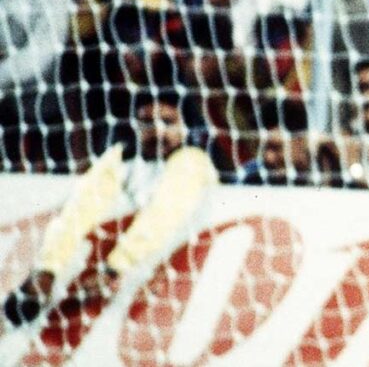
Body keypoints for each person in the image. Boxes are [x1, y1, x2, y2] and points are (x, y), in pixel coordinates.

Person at [2, 92, 218, 329]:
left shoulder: (192, 161)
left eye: (168, 122)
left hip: (186, 275)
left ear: (185, 126)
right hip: (128, 277)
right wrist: (48, 269)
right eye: (147, 122)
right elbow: (80, 209)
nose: (157, 131)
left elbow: (162, 215)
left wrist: (116, 266)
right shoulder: (121, 157)